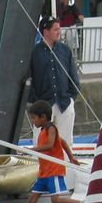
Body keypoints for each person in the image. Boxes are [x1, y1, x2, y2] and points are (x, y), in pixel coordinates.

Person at [6, 100, 81, 203]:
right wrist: (71, 157)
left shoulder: (51, 128)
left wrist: (31, 150)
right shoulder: (43, 130)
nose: (33, 121)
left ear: (43, 117)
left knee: (56, 201)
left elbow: (51, 145)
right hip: (44, 172)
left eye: (34, 118)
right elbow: (62, 141)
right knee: (32, 199)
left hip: (53, 170)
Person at [29, 16, 80, 188]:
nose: (59, 32)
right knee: (41, 142)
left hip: (64, 102)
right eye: (56, 29)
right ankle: (43, 179)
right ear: (46, 31)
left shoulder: (65, 50)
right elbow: (30, 79)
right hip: (44, 104)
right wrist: (36, 102)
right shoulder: (34, 53)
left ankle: (66, 180)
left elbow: (73, 76)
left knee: (66, 140)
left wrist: (72, 97)